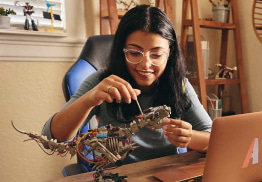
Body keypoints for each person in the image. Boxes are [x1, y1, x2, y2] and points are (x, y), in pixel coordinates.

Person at [41, 5, 212, 165]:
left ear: (170, 53)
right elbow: (50, 140)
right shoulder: (102, 82)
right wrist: (90, 99)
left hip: (167, 180)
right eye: (135, 53)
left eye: (157, 55)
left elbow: (213, 138)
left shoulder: (179, 85)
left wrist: (190, 138)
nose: (145, 64)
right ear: (122, 50)